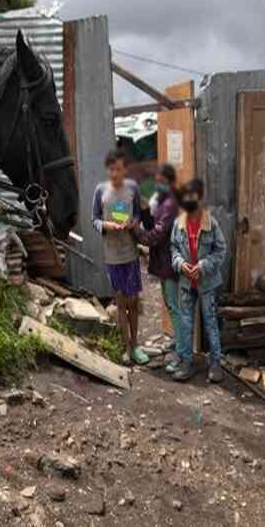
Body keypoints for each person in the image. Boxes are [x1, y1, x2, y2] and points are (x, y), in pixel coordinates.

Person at [92, 149, 148, 366]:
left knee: (133, 301)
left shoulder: (132, 188)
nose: (115, 173)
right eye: (111, 169)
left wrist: (133, 223)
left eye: (119, 169)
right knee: (121, 301)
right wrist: (107, 225)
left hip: (130, 253)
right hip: (112, 255)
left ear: (125, 170)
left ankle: (136, 345)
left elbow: (138, 214)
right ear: (108, 170)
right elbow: (95, 219)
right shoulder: (100, 191)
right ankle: (126, 347)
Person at [169, 178, 228, 382]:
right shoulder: (178, 224)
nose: (189, 199)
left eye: (193, 195)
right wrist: (181, 264)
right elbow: (174, 249)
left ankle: (215, 364)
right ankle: (187, 363)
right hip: (187, 284)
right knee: (186, 324)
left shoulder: (211, 224)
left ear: (200, 198)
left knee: (211, 323)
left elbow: (221, 250)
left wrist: (202, 266)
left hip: (207, 284)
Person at [136, 164, 181, 373]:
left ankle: (182, 350)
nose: (157, 184)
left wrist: (137, 234)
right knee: (169, 303)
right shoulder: (163, 201)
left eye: (161, 181)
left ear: (169, 182)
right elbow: (153, 225)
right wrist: (145, 211)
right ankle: (178, 341)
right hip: (163, 261)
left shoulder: (170, 204)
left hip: (169, 261)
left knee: (173, 305)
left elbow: (158, 234)